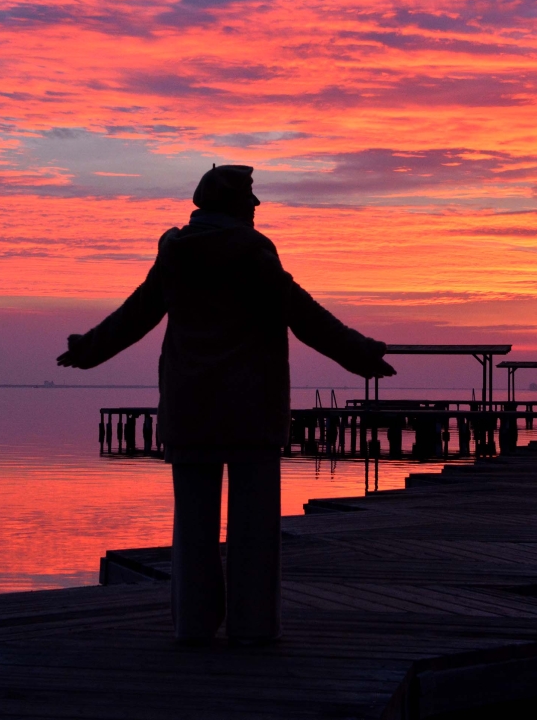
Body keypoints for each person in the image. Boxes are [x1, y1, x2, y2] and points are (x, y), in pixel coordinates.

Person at [57, 164, 395, 645]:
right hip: (251, 409)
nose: (257, 205)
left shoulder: (175, 255)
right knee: (254, 530)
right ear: (232, 202)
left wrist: (87, 350)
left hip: (190, 406)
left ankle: (193, 626)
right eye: (251, 195)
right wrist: (360, 353)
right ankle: (253, 627)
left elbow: (135, 315)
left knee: (192, 530)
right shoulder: (253, 255)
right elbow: (303, 314)